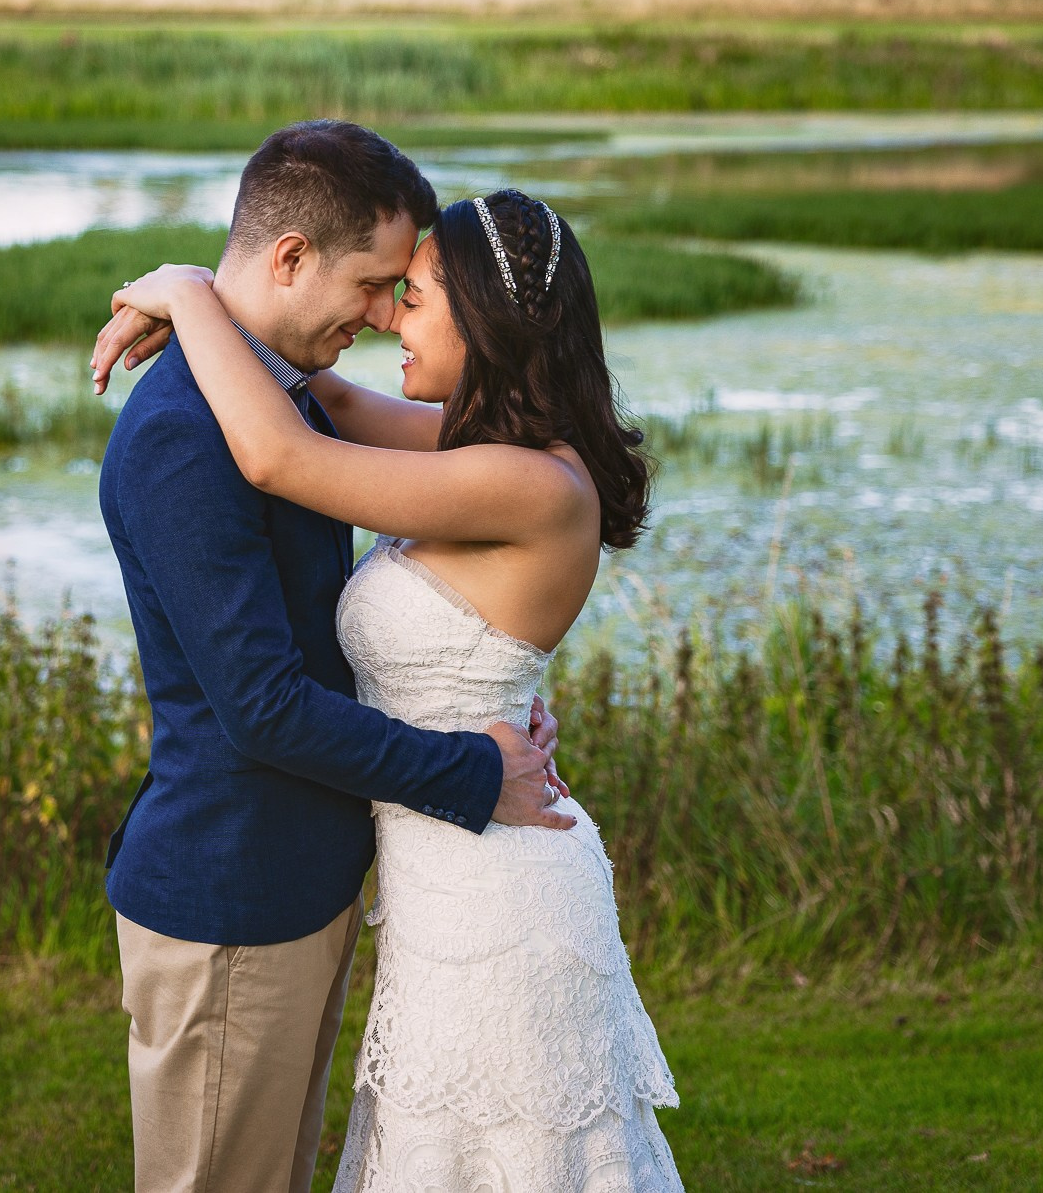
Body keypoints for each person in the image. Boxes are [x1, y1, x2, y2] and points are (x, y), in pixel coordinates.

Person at [96, 143, 684, 1190]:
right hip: (364, 877)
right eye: (381, 287)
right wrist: (199, 302)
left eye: (407, 297)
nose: (383, 319)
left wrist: (186, 293)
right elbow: (306, 409)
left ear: (484, 325)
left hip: (488, 883)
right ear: (291, 257)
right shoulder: (449, 443)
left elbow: (284, 453)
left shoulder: (523, 480)